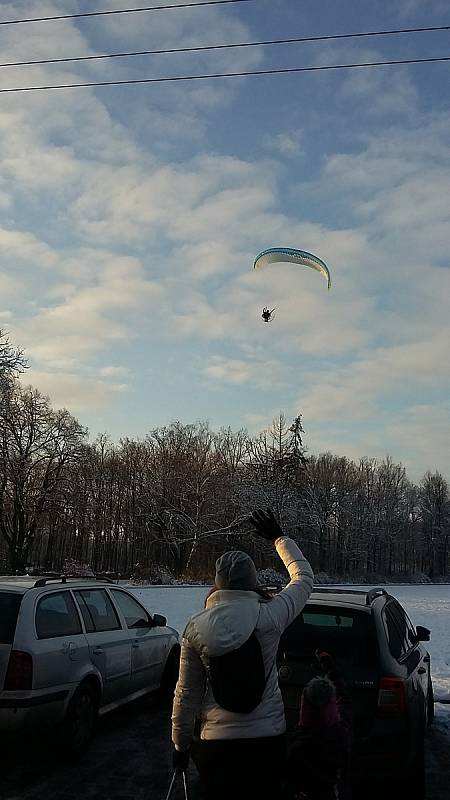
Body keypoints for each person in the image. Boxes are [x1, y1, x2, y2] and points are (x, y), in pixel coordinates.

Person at [171, 508, 314, 800]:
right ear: (253, 581)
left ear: (218, 583)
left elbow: (186, 694)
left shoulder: (195, 629)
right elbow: (303, 579)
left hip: (216, 745)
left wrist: (180, 746)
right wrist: (278, 537)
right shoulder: (272, 616)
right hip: (267, 742)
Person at [286, 651, 352, 800]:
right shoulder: (341, 736)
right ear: (332, 706)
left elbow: (289, 783)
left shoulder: (297, 746)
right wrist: (329, 666)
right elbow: (344, 698)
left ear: (304, 709)